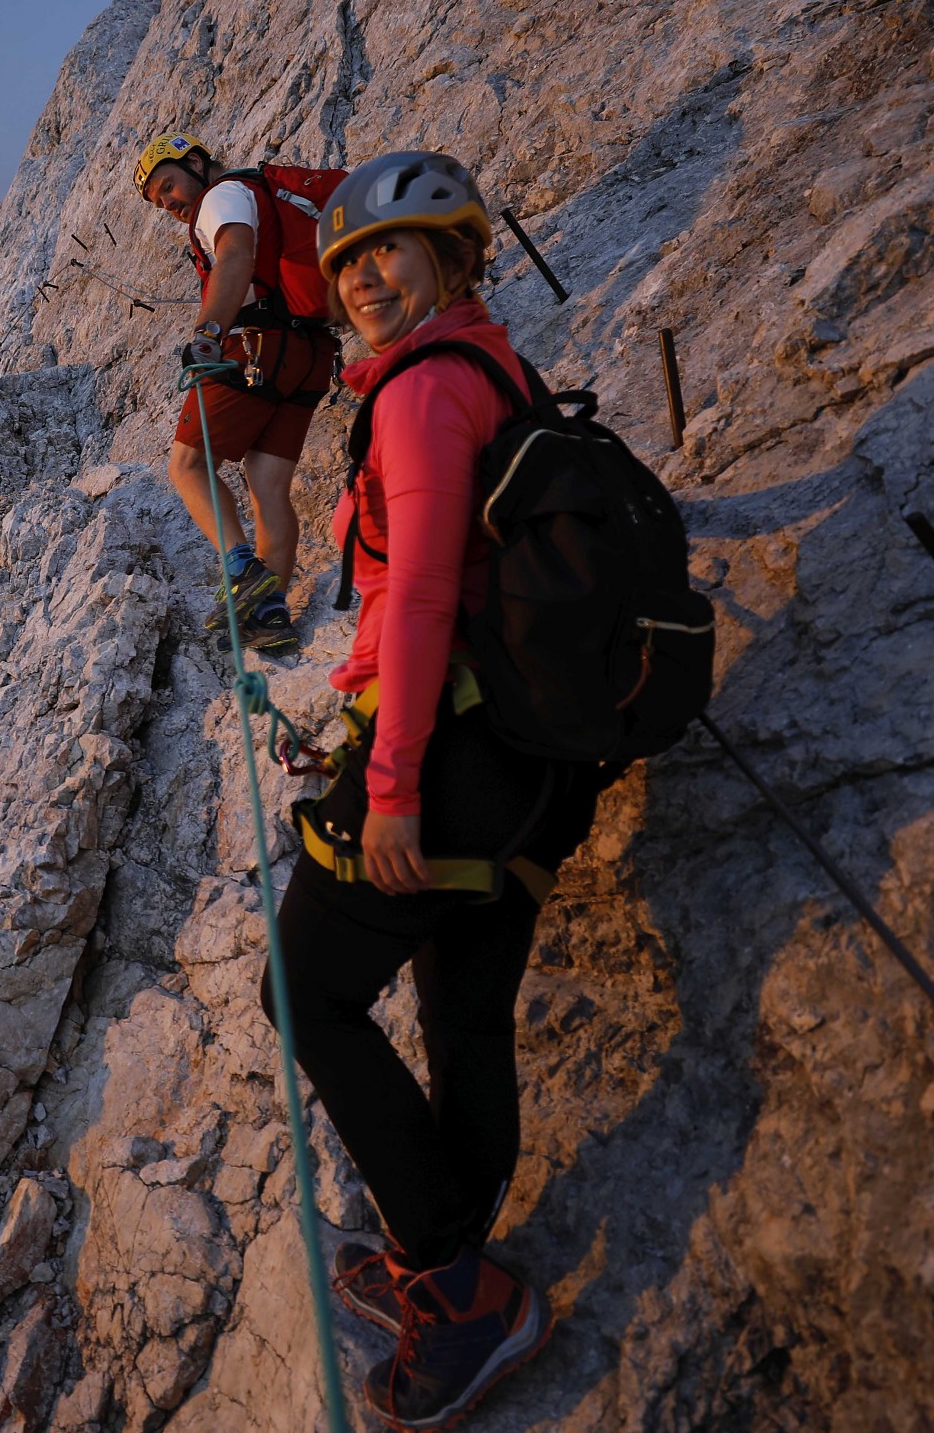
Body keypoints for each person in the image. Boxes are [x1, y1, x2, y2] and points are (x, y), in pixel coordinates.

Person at [259, 151, 614, 1429]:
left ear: (456, 259)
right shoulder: (497, 371)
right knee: (464, 1009)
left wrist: (391, 782)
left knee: (302, 991)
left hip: (447, 751)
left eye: (390, 250)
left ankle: (459, 1290)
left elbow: (411, 593)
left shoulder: (418, 392)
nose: (361, 276)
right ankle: (447, 1260)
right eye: (347, 259)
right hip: (526, 758)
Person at [134, 131, 344, 655]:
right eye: (159, 201)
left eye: (168, 185)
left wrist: (208, 333)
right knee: (267, 483)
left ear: (198, 164)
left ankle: (242, 572)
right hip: (310, 355)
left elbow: (234, 257)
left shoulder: (221, 196)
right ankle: (268, 614)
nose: (169, 203)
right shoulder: (258, 192)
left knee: (187, 465)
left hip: (256, 344)